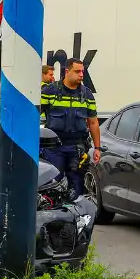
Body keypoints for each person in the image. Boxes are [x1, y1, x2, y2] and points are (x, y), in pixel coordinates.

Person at [40, 58, 100, 199]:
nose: (81, 75)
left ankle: (75, 217)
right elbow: (34, 116)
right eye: (77, 71)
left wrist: (97, 148)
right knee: (53, 183)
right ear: (67, 71)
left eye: (82, 72)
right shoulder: (50, 91)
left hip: (76, 147)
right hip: (54, 148)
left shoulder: (87, 95)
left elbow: (93, 122)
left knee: (76, 185)